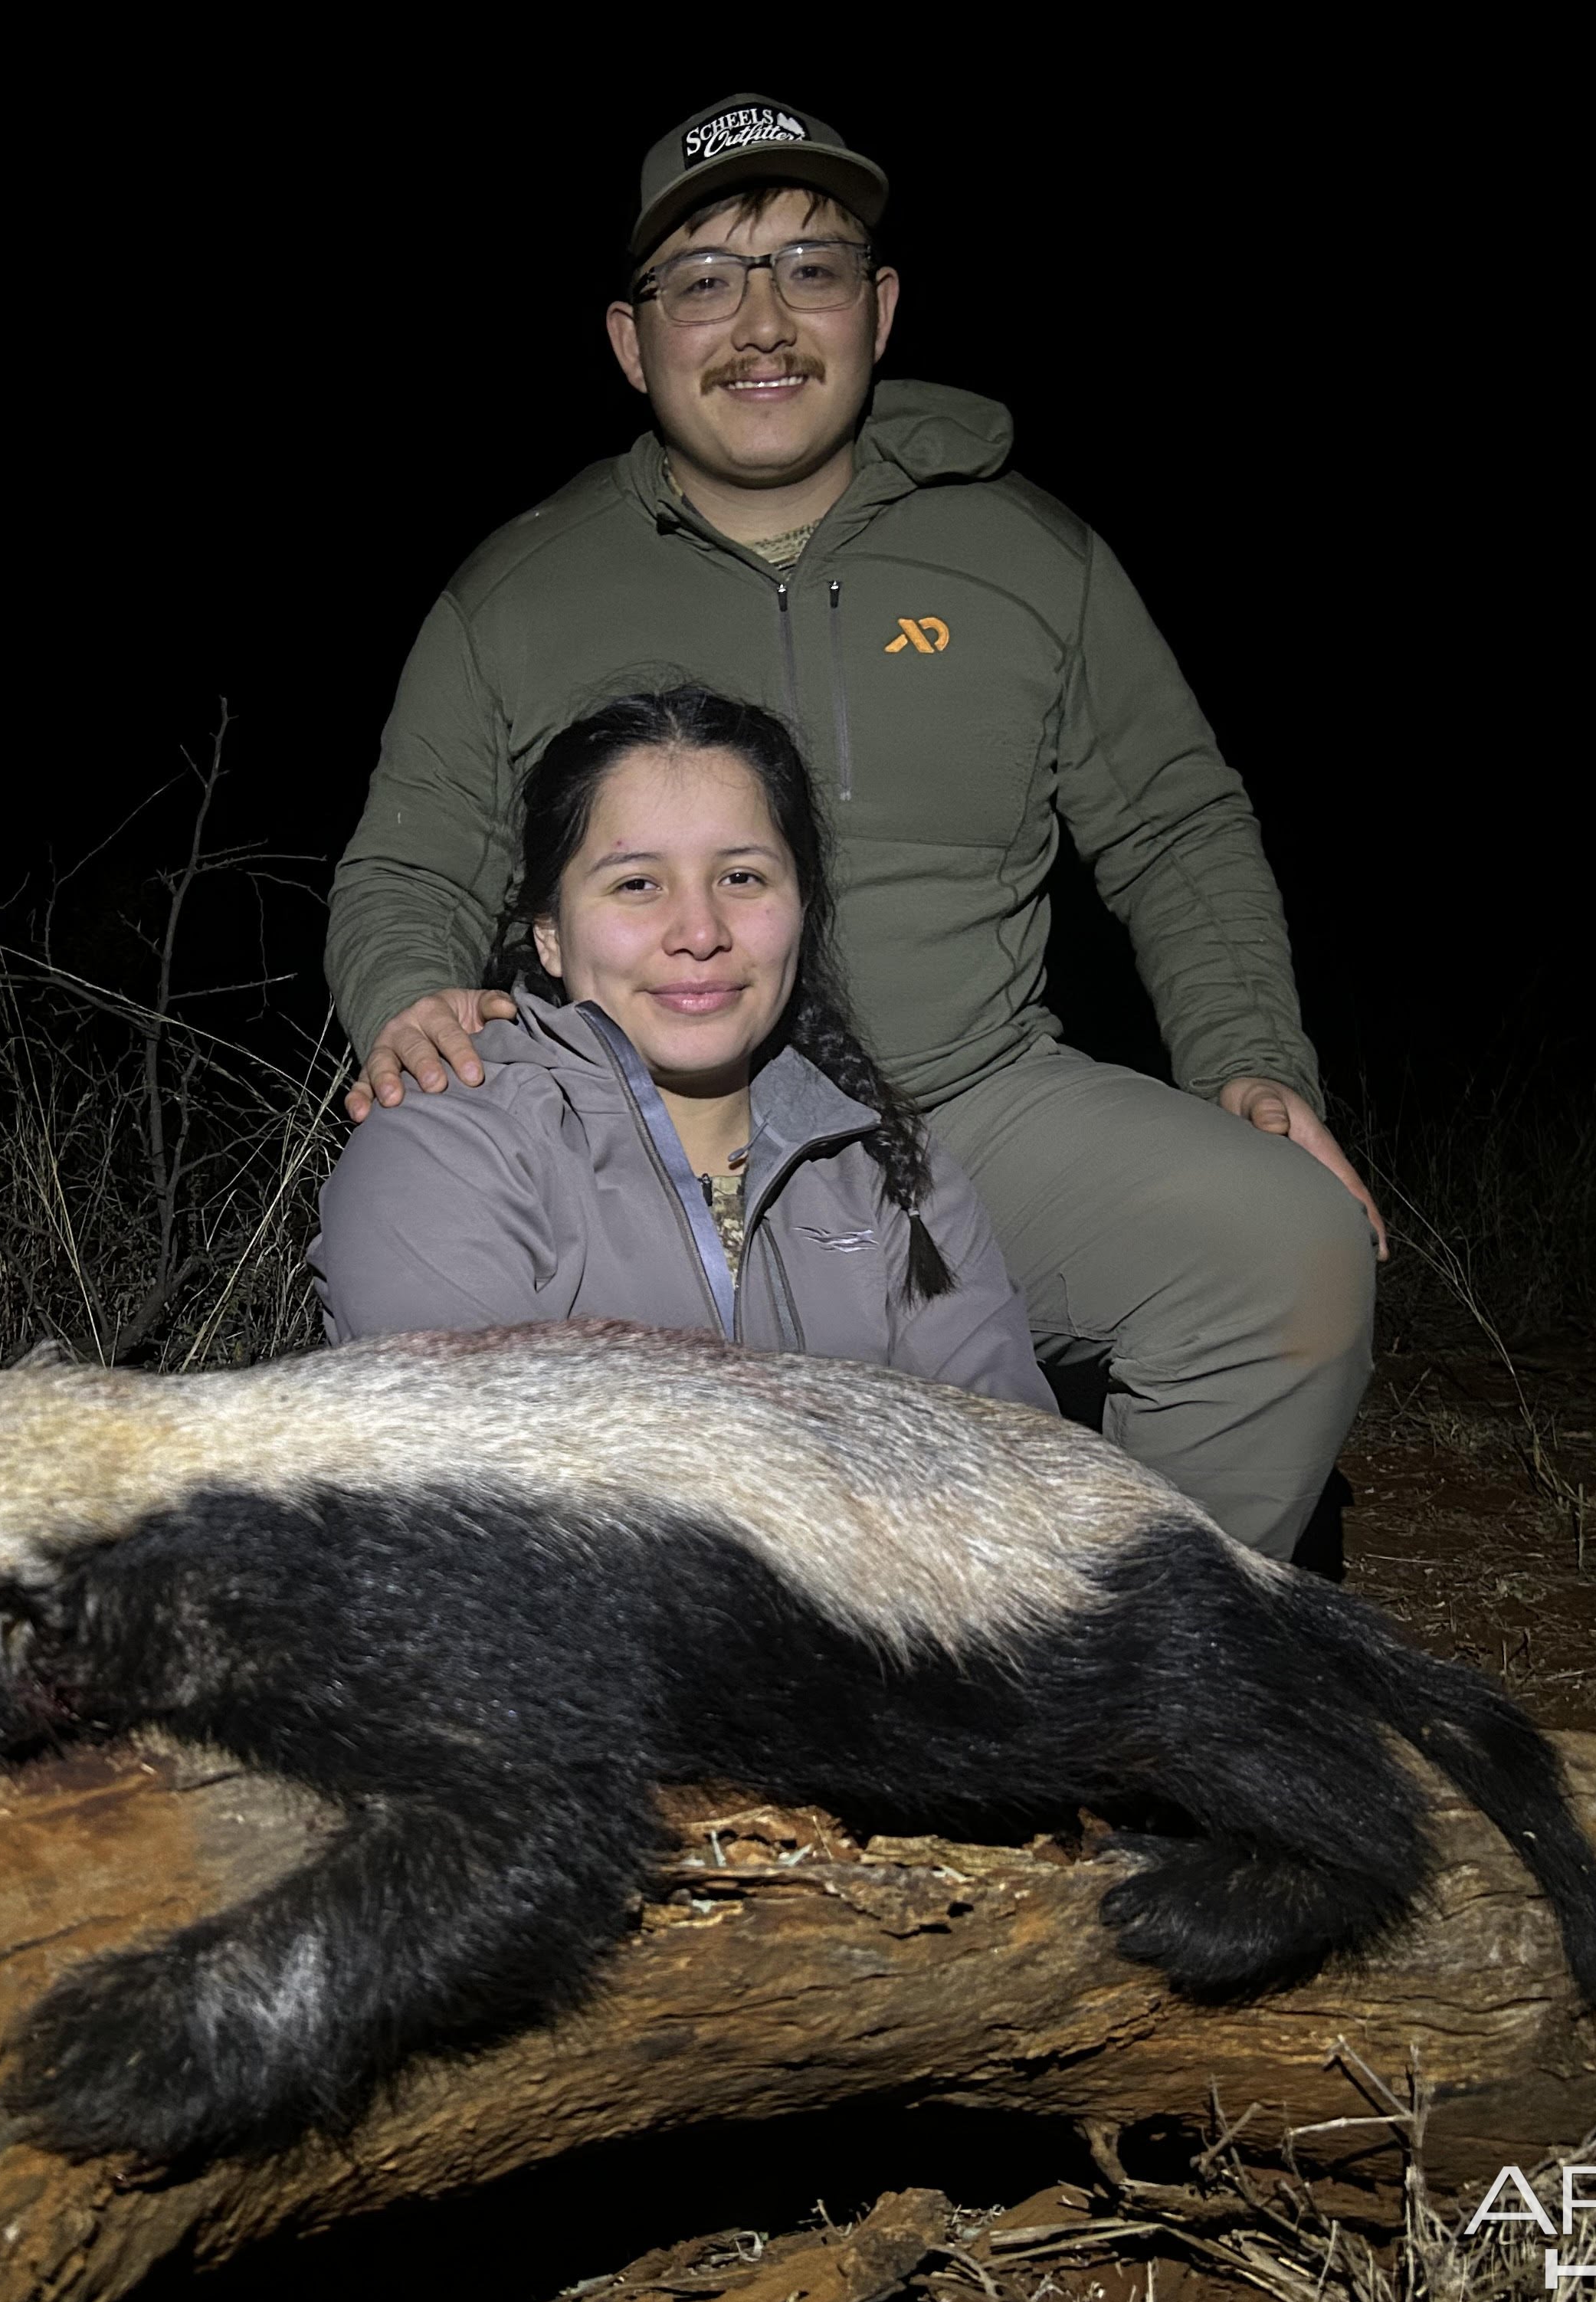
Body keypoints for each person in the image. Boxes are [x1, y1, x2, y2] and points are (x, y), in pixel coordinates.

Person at [326, 94, 1378, 1559]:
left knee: (1287, 1244)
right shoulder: (514, 592)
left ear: (877, 310)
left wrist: (1250, 1053)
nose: (760, 320)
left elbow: (1176, 825)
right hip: (646, 1130)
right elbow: (407, 857)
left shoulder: (1032, 556)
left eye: (809, 268)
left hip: (971, 1098)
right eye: (703, 279)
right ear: (633, 341)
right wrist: (402, 998)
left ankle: (1118, 1690)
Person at [313, 686, 1050, 1412]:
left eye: (741, 877)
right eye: (637, 884)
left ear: (802, 906)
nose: (700, 932)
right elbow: (485, 1490)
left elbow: (1021, 1485)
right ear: (549, 931)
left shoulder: (889, 1169)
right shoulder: (446, 1150)